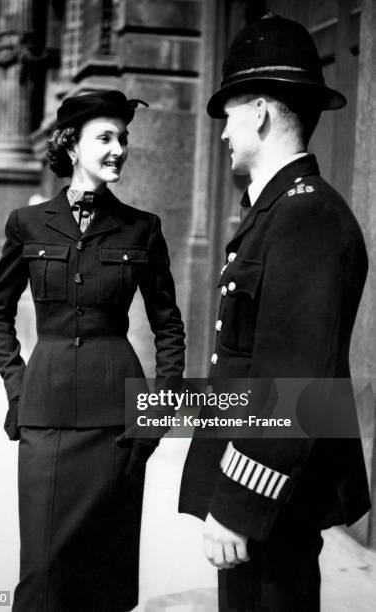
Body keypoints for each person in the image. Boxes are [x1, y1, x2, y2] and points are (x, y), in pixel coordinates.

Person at [179, 14, 370, 612]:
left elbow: (296, 383)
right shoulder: (276, 212)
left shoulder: (306, 217)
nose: (224, 132)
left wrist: (238, 504)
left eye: (230, 114)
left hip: (272, 498)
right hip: (260, 486)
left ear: (258, 112)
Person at [0, 90, 185, 612]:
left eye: (124, 138)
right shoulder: (26, 224)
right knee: (42, 574)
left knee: (107, 574)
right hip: (46, 413)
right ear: (71, 146)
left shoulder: (142, 228)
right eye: (106, 137)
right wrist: (17, 388)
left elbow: (169, 326)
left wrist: (157, 414)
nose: (119, 148)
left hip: (118, 422)